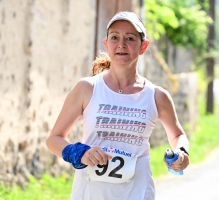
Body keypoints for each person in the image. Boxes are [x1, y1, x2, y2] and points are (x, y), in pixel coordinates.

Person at [46, 11, 189, 200]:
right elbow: (54, 139)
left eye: (130, 38)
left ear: (143, 47)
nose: (121, 44)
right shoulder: (86, 88)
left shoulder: (156, 96)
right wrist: (80, 153)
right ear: (106, 44)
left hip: (138, 194)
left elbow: (178, 135)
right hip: (89, 194)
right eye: (115, 37)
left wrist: (181, 152)